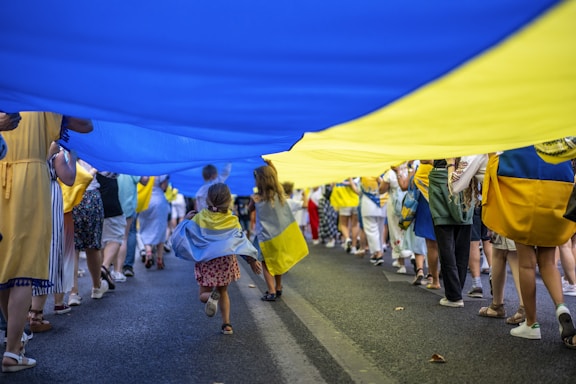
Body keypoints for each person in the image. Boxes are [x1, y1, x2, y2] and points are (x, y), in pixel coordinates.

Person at [0, 112, 92, 373]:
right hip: (30, 180)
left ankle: (15, 340)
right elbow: (86, 124)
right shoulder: (42, 102)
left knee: (3, 260)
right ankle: (12, 349)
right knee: (25, 266)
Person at [482, 146, 576, 347]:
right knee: (548, 262)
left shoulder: (518, 129)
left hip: (519, 185)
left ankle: (531, 324)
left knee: (526, 264)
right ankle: (561, 307)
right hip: (557, 183)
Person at [171, 183, 262, 335]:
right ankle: (227, 324)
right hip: (224, 263)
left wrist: (186, 220)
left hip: (207, 262)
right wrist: (252, 260)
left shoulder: (199, 218)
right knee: (223, 292)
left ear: (208, 199)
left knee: (203, 295)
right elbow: (241, 242)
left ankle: (211, 297)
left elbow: (182, 236)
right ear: (228, 201)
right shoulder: (232, 220)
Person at [29, 142, 78, 333]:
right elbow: (69, 178)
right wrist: (72, 158)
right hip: (48, 195)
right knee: (48, 251)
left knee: (29, 250)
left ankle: (25, 309)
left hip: (26, 193)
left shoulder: (26, 142)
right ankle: (36, 314)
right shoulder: (55, 148)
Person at [251, 160, 309, 301]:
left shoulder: (256, 199)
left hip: (265, 238)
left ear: (259, 182)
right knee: (276, 262)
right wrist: (272, 167)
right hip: (280, 236)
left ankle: (271, 291)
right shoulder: (281, 197)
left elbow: (249, 211)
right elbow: (274, 179)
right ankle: (278, 287)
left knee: (266, 263)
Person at [428, 157, 476, 307]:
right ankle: (457, 292)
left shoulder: (438, 139)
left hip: (440, 181)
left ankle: (453, 296)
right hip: (467, 177)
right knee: (462, 246)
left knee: (446, 247)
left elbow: (425, 158)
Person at [117, 174, 149, 277]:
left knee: (112, 238)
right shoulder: (130, 165)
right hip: (129, 207)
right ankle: (127, 266)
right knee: (127, 236)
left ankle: (112, 266)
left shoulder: (113, 161)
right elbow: (144, 181)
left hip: (113, 206)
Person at [139, 175, 170, 269]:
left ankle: (148, 252)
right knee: (160, 230)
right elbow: (164, 187)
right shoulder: (162, 171)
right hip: (159, 201)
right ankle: (159, 259)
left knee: (145, 228)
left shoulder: (144, 169)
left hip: (144, 201)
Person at [330, 179, 360, 253]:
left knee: (343, 224)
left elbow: (332, 185)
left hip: (343, 201)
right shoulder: (356, 174)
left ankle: (347, 238)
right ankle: (354, 247)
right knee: (355, 224)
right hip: (355, 200)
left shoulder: (339, 174)